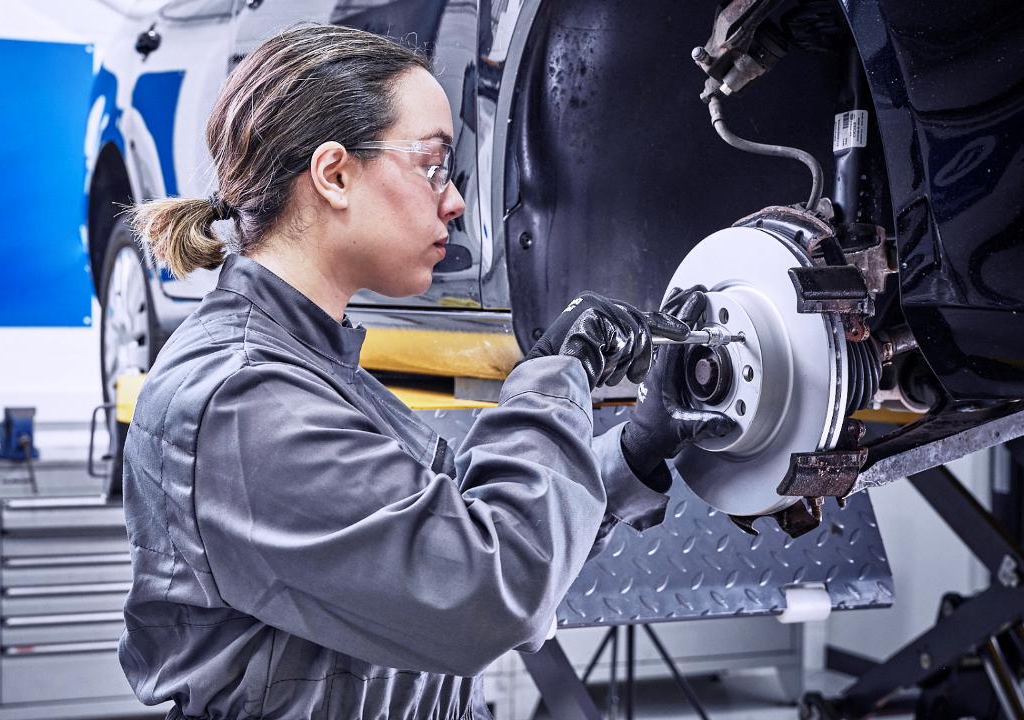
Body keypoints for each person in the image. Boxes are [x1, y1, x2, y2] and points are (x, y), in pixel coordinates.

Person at [118, 23, 734, 720]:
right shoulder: (241, 399)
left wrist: (635, 449)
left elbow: (460, 528)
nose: (457, 201)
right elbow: (487, 588)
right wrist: (559, 376)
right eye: (435, 166)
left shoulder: (311, 369)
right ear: (334, 174)